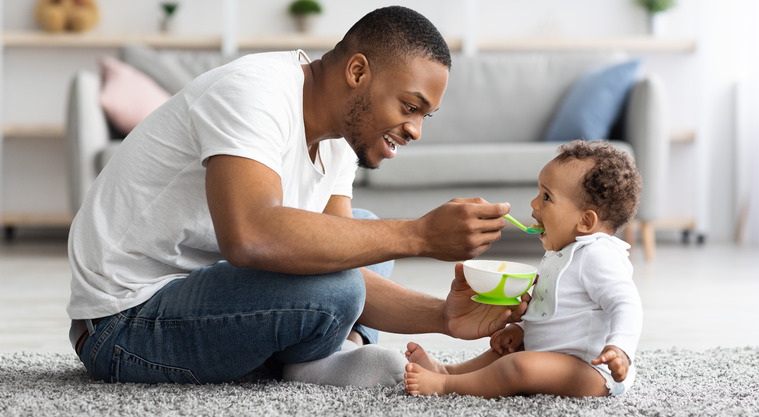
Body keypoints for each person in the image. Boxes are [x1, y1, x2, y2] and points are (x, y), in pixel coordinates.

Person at [66, 6, 524, 386]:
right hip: (122, 324)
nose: (416, 131)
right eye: (409, 107)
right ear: (358, 71)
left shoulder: (340, 141)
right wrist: (420, 235)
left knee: (357, 234)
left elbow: (345, 265)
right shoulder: (253, 93)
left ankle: (327, 356)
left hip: (209, 296)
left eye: (426, 116)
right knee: (350, 265)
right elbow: (249, 236)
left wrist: (445, 316)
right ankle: (325, 359)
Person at [404, 140, 643, 398]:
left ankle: (446, 387)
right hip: (556, 359)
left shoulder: (598, 254)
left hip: (591, 372)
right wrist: (521, 330)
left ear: (585, 221)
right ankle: (449, 371)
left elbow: (626, 304)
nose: (534, 203)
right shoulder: (561, 253)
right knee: (506, 353)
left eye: (547, 197)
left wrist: (619, 349)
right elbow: (553, 310)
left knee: (518, 366)